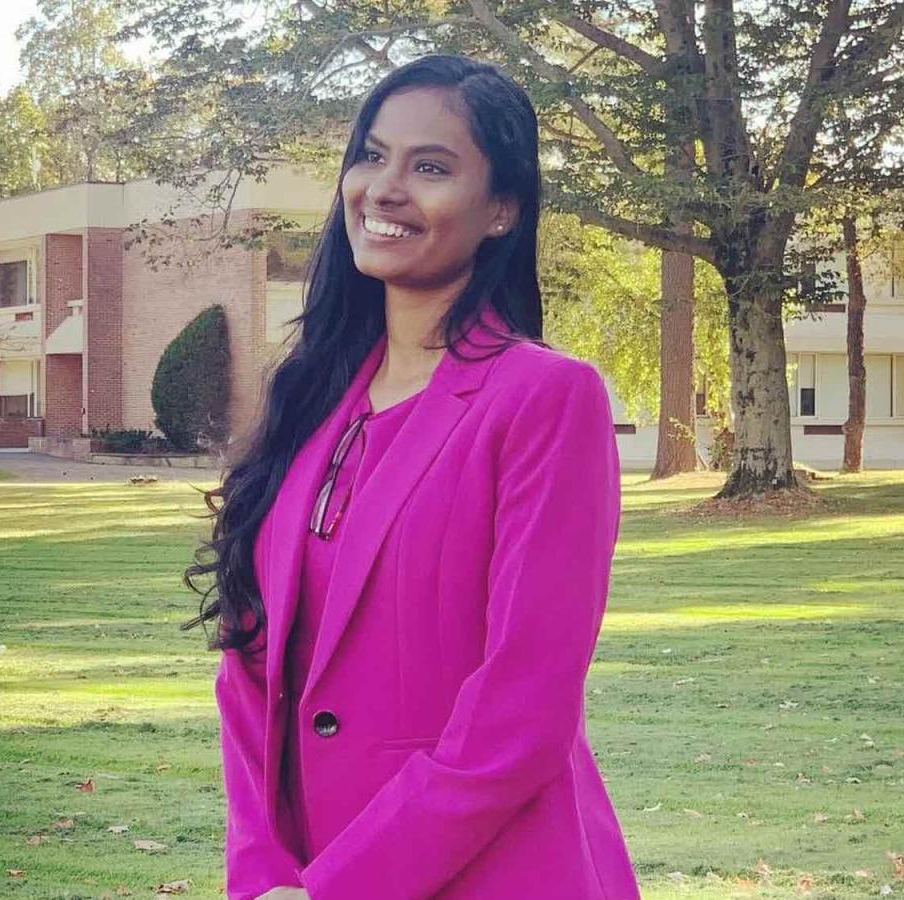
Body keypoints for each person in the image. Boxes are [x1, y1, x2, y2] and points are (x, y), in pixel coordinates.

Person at [183, 53, 641, 899]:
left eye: (430, 167)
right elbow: (248, 665)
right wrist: (263, 871)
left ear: (502, 208)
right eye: (372, 155)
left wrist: (341, 888)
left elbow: (524, 708)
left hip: (494, 875)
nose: (384, 189)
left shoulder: (544, 399)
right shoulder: (308, 402)